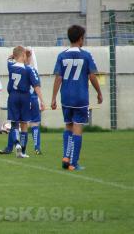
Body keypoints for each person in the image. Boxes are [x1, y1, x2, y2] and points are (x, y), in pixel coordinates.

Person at [51, 25, 103, 171]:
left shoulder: (62, 55)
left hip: (66, 96)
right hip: (80, 97)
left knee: (68, 125)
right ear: (81, 39)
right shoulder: (86, 55)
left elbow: (58, 78)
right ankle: (73, 163)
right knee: (77, 128)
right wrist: (99, 92)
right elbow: (91, 75)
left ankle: (66, 157)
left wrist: (53, 98)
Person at [0, 46, 45, 158]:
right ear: (24, 55)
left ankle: (17, 144)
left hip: (13, 96)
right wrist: (42, 100)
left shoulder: (10, 66)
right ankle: (22, 152)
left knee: (14, 124)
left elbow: (9, 58)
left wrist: (15, 55)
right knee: (24, 125)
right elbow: (36, 86)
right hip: (25, 97)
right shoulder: (29, 69)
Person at [25, 47, 42, 155]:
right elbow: (37, 86)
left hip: (23, 100)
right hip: (33, 99)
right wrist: (42, 100)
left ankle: (21, 147)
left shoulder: (18, 69)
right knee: (34, 123)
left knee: (22, 124)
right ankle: (37, 147)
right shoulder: (33, 70)